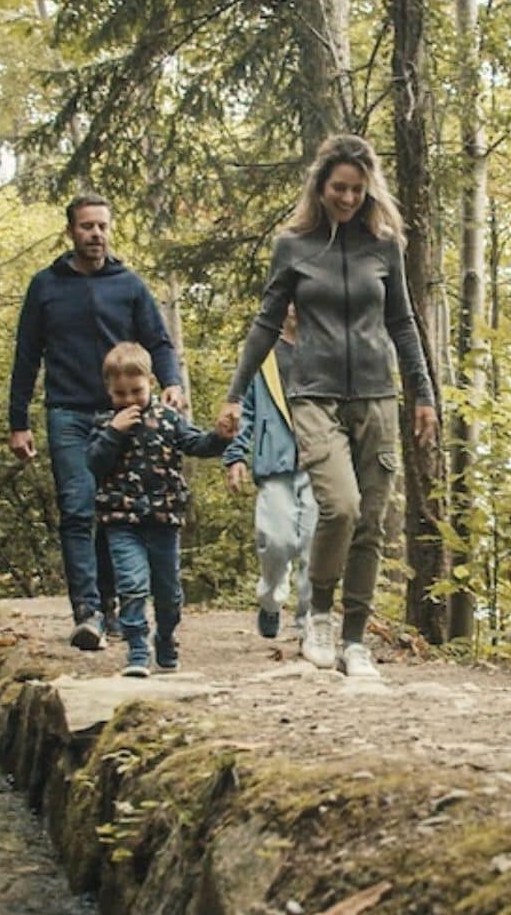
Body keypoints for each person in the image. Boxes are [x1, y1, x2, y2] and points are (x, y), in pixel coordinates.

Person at [215, 134, 437, 679]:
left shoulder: (384, 245)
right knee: (340, 506)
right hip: (314, 395)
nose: (348, 198)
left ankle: (355, 640)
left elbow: (402, 322)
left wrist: (424, 394)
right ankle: (318, 614)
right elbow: (267, 322)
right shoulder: (294, 245)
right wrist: (235, 394)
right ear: (320, 186)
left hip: (376, 395)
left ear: (370, 189)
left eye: (358, 190)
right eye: (340, 188)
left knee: (372, 523)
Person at [8, 194, 184, 651]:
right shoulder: (45, 286)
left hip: (120, 414)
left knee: (112, 510)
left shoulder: (128, 285)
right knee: (77, 508)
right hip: (67, 411)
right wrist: (18, 421)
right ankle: (86, 612)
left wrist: (172, 383)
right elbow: (27, 355)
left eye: (102, 226)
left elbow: (158, 341)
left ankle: (110, 606)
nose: (96, 234)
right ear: (70, 231)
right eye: (87, 226)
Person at [86, 343, 229, 675]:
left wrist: (221, 437)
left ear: (151, 383)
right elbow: (94, 463)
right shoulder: (104, 423)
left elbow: (197, 444)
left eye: (136, 391)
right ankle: (137, 648)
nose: (129, 400)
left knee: (168, 592)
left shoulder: (168, 419)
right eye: (120, 394)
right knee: (131, 585)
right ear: (108, 390)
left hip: (164, 519)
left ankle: (165, 636)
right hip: (121, 521)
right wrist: (114, 432)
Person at [223, 305, 318, 641]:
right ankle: (271, 600)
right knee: (277, 542)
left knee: (314, 544)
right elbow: (244, 410)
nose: (295, 305)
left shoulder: (327, 349)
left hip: (319, 460)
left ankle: (309, 622)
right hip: (274, 463)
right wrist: (236, 456)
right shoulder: (262, 353)